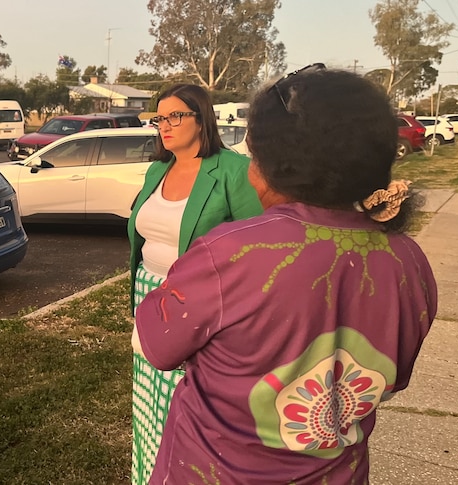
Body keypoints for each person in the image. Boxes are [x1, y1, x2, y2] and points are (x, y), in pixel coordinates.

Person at [134, 66, 437, 483]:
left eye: (253, 154)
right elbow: (393, 376)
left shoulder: (231, 253)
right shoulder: (410, 262)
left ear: (276, 163)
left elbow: (155, 346)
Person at [128, 84, 262, 484]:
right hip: (149, 295)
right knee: (150, 398)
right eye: (158, 118)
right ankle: (148, 471)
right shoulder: (158, 169)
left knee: (184, 401)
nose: (163, 126)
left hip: (199, 303)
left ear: (201, 118)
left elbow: (256, 245)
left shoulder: (232, 170)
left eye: (173, 116)